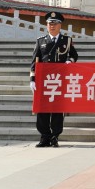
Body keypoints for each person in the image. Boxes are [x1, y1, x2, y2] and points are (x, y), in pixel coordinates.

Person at [30, 12, 78, 147]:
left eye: (55, 23)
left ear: (60, 25)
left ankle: (55, 136)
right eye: (50, 23)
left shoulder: (66, 40)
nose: (52, 26)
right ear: (46, 25)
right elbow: (34, 61)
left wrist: (70, 61)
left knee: (57, 109)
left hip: (60, 80)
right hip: (44, 80)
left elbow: (74, 55)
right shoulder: (41, 41)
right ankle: (44, 137)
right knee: (42, 109)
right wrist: (32, 79)